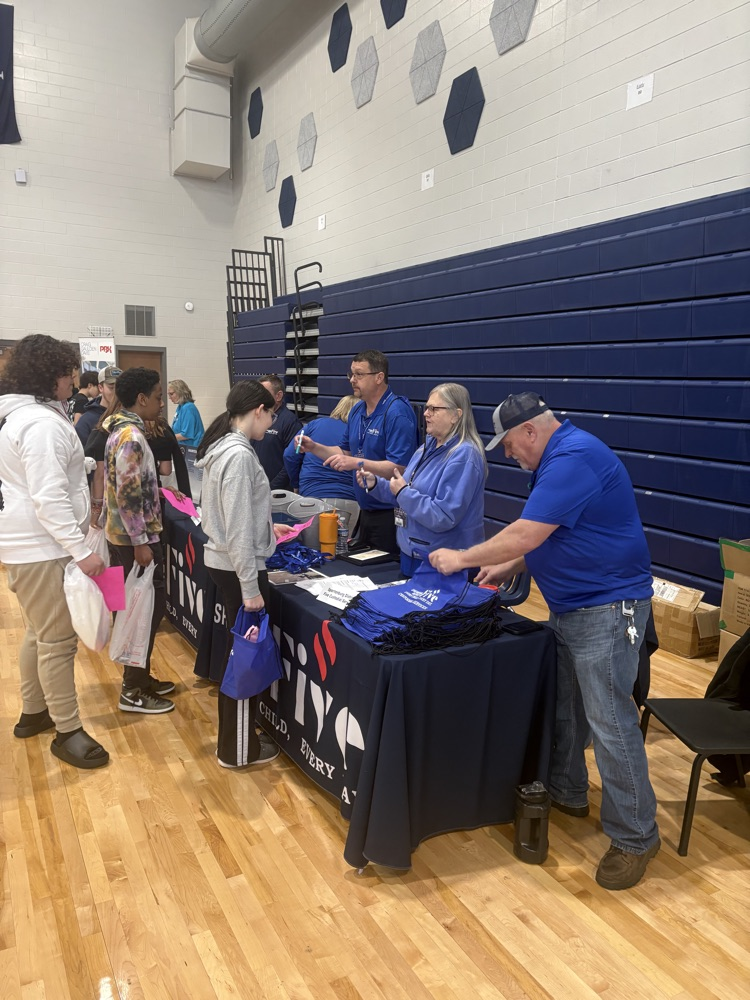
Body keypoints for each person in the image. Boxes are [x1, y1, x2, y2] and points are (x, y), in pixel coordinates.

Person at [429, 391, 659, 891]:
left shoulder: (575, 458)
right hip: (575, 606)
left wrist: (462, 558)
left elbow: (529, 532)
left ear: (531, 431)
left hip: (606, 608)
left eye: (510, 445)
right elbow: (553, 534)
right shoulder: (558, 456)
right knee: (567, 708)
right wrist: (510, 562)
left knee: (610, 722)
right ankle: (568, 791)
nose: (509, 454)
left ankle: (637, 836)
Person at [0, 334, 109, 769]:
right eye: (68, 371)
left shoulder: (22, 416)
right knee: (59, 641)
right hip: (44, 546)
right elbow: (47, 497)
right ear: (51, 374)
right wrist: (81, 550)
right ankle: (67, 731)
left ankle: (33, 711)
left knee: (39, 631)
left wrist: (79, 466)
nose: (74, 379)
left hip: (30, 544)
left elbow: (35, 478)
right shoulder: (41, 424)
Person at [196, 380, 295, 769]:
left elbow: (234, 515)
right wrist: (250, 585)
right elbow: (235, 525)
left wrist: (268, 529)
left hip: (231, 564)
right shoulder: (237, 455)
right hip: (240, 571)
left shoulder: (225, 448)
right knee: (243, 662)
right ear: (258, 410)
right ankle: (237, 751)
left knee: (238, 657)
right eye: (270, 415)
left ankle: (239, 743)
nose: (271, 423)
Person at [356, 383, 486, 576]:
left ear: (456, 415)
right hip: (413, 555)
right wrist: (377, 484)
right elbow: (404, 492)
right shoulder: (426, 447)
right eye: (427, 407)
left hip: (444, 564)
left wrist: (403, 492)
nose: (426, 413)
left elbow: (444, 516)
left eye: (434, 409)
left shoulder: (464, 456)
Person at [103, 367, 174, 714]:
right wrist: (140, 541)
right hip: (135, 540)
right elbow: (128, 495)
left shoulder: (122, 430)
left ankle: (141, 677)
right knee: (144, 609)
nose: (162, 404)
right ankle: (132, 689)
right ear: (142, 399)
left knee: (143, 607)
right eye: (159, 397)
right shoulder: (130, 435)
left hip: (127, 536)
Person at [298, 351, 418, 553]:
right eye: (351, 374)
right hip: (365, 509)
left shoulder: (396, 412)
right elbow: (344, 453)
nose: (353, 380)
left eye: (359, 375)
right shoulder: (357, 410)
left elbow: (401, 468)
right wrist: (313, 447)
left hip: (390, 512)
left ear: (379, 377)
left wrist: (357, 464)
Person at [282, 394, 357, 500]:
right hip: (348, 496)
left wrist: (296, 485)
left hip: (311, 492)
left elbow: (289, 455)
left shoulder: (314, 425)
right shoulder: (360, 433)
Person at [251, 373, 302, 490]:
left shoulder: (290, 422)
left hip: (278, 492)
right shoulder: (256, 418)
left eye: (263, 393)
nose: (259, 398)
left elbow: (293, 460)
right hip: (257, 487)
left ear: (278, 396)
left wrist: (272, 488)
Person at [75, 365, 122, 447]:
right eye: (111, 388)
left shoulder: (128, 416)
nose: (117, 392)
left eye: (120, 387)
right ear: (100, 388)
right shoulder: (86, 421)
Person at [167, 379, 204, 448]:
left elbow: (186, 434)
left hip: (192, 450)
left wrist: (167, 438)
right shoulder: (180, 407)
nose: (169, 397)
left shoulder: (188, 407)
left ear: (180, 392)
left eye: (171, 394)